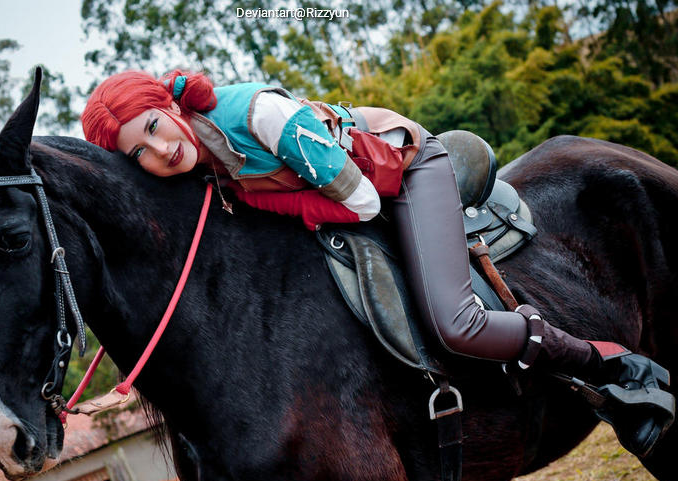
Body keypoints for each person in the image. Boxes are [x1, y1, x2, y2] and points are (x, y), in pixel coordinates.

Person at [82, 69, 674, 457]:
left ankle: (614, 372)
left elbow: (360, 200)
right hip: (356, 194)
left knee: (456, 321)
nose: (161, 150)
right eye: (140, 151)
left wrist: (272, 205)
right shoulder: (201, 158)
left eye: (154, 127)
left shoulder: (259, 114)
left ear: (166, 106)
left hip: (403, 170)